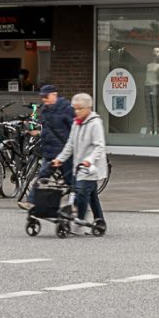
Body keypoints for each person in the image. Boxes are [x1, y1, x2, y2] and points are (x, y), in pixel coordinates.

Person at [52, 92, 108, 230]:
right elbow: (70, 145)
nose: (76, 112)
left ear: (88, 108)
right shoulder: (76, 124)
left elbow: (99, 146)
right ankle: (100, 222)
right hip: (79, 166)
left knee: (82, 193)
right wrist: (60, 159)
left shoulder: (95, 123)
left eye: (79, 109)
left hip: (90, 168)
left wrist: (89, 160)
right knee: (92, 196)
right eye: (74, 109)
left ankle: (79, 219)